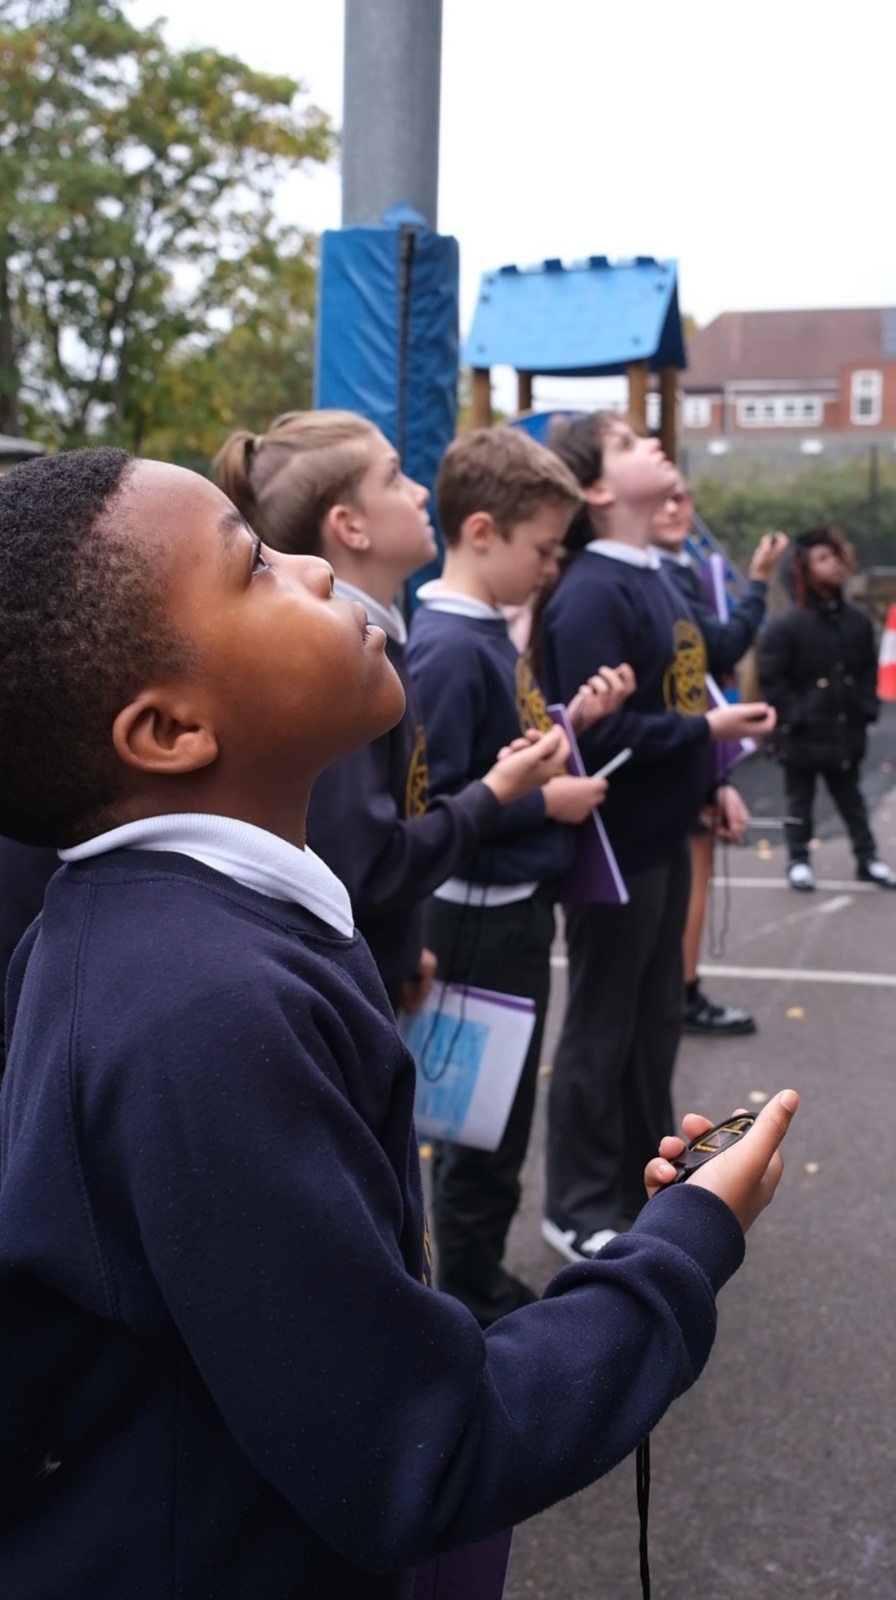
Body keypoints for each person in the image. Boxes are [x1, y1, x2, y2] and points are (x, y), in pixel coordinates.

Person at [0, 448, 798, 1600]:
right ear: (169, 730)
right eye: (253, 568)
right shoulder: (203, 1012)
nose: (314, 574)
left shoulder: (178, 941)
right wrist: (681, 1243)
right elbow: (419, 1449)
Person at [213, 411, 560, 1013]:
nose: (421, 492)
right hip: (336, 992)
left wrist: (404, 945)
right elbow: (367, 865)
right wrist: (495, 792)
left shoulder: (376, 641)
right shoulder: (332, 662)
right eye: (395, 477)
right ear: (350, 526)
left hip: (368, 972)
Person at [532, 413, 776, 1263]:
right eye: (630, 443)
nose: (654, 445)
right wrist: (708, 732)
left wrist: (710, 784)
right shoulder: (592, 591)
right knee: (603, 1027)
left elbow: (677, 695)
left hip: (664, 835)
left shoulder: (656, 576)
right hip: (616, 848)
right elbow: (597, 734)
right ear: (598, 489)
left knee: (654, 1022)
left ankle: (649, 1181)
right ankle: (574, 1206)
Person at [406, 426, 634, 1326]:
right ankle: (470, 1294)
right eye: (542, 549)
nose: (550, 568)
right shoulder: (449, 648)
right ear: (482, 531)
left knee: (491, 1123)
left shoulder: (480, 636)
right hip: (479, 923)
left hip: (508, 914)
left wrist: (575, 723)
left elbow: (496, 758)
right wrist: (548, 804)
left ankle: (473, 1278)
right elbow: (440, 808)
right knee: (480, 1128)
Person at [651, 473, 789, 1037]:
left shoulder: (675, 568)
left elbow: (710, 653)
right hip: (670, 751)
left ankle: (680, 991)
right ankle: (679, 993)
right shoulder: (657, 575)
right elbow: (721, 643)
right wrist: (757, 582)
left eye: (682, 495)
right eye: (661, 497)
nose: (675, 506)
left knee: (691, 878)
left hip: (687, 748)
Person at [758, 525, 896, 892]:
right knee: (799, 801)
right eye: (822, 558)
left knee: (852, 799)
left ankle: (867, 859)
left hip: (844, 732)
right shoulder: (786, 626)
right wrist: (796, 716)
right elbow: (772, 679)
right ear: (803, 570)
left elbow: (866, 672)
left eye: (835, 556)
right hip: (801, 736)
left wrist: (865, 710)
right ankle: (798, 860)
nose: (833, 564)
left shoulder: (856, 622)